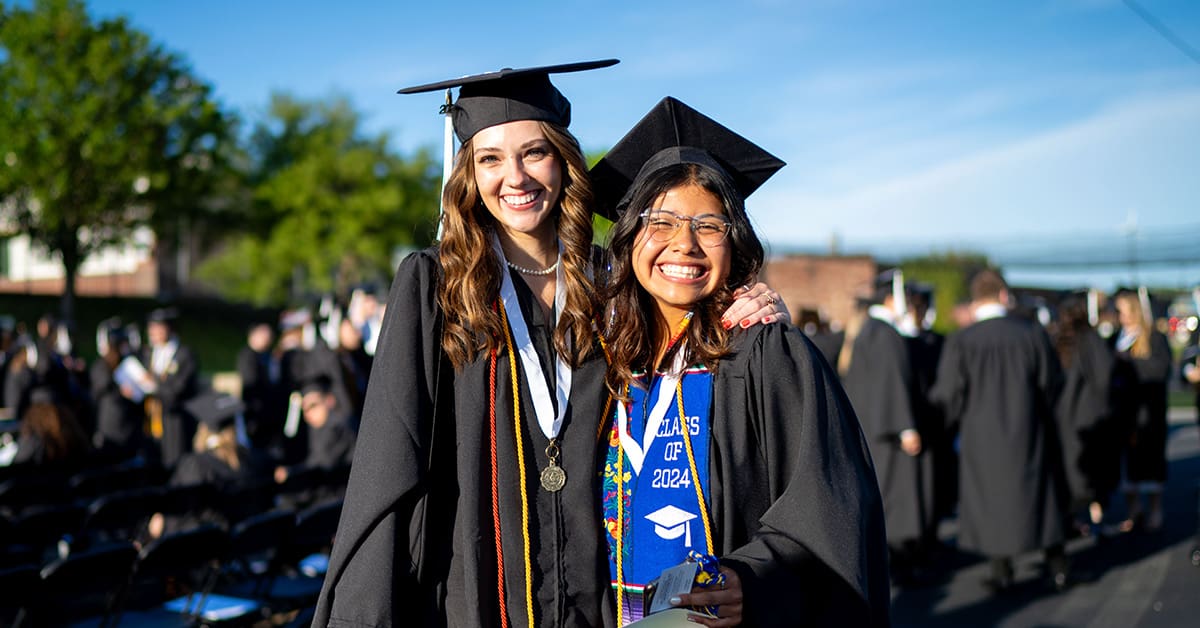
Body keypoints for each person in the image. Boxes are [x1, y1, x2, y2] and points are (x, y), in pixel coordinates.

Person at [313, 62, 786, 628]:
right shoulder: (437, 285)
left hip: (602, 594)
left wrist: (754, 305)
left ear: (564, 162)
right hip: (477, 592)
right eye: (490, 158)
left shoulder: (615, 282)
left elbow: (696, 325)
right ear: (468, 173)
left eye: (534, 152)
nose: (515, 176)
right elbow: (389, 462)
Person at [590, 97, 889, 627]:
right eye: (660, 221)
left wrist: (754, 581)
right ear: (630, 234)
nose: (684, 245)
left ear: (736, 244)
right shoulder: (603, 358)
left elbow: (829, 509)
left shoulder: (764, 352)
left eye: (709, 226)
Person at [930, 269, 1070, 592]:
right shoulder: (1031, 334)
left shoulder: (962, 341)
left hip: (981, 436)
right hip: (1028, 429)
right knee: (1040, 497)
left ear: (975, 301)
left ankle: (1001, 569)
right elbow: (1052, 383)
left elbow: (948, 394)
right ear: (1004, 296)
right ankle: (1057, 564)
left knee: (990, 499)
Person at [838, 275, 929, 586]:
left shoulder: (867, 330)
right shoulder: (886, 333)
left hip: (870, 428)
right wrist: (906, 427)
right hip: (889, 434)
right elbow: (894, 382)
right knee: (894, 500)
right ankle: (898, 564)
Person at [1051, 296, 1119, 534]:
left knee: (1069, 473)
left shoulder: (1058, 342)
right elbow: (1105, 376)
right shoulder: (1092, 341)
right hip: (1090, 417)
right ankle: (1097, 518)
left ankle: (1069, 519)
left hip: (1062, 418)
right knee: (1094, 472)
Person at [1110, 289, 1172, 532]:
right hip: (1124, 413)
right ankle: (1134, 510)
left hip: (1149, 413)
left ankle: (1156, 509)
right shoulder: (1116, 337)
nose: (1120, 316)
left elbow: (1160, 369)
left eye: (1123, 310)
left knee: (1152, 462)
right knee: (1129, 465)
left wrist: (1129, 362)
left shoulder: (1153, 338)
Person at [140, 307, 200, 469]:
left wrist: (153, 384)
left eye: (158, 327)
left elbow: (178, 389)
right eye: (151, 327)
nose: (153, 332)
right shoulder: (148, 353)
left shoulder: (184, 354)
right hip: (150, 419)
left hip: (175, 421)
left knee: (174, 463)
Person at [273, 375, 356, 484]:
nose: (307, 413)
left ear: (329, 400)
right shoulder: (313, 433)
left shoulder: (342, 429)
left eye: (313, 405)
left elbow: (323, 464)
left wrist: (292, 472)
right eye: (304, 409)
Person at [90, 318, 147, 460]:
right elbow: (101, 385)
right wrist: (120, 389)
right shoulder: (102, 365)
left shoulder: (128, 361)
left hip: (130, 426)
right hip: (112, 425)